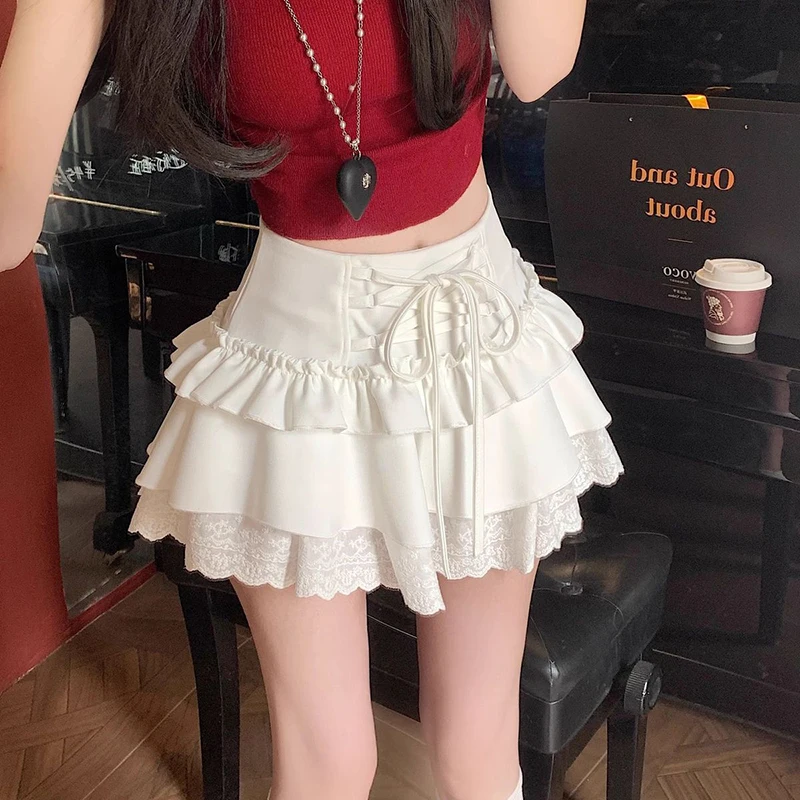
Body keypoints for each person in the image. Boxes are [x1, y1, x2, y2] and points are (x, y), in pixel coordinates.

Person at [0, 1, 621, 797]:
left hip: (478, 346)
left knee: (477, 746)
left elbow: (539, 66)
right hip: (297, 372)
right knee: (328, 765)